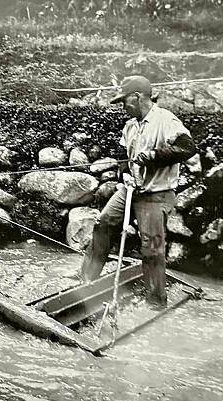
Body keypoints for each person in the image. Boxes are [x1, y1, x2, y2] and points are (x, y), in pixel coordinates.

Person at [80, 75, 196, 307]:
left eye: (125, 101)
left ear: (137, 96)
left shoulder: (166, 120)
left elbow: (187, 147)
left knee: (151, 248)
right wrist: (124, 172)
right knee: (103, 224)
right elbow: (125, 154)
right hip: (131, 190)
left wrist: (154, 156)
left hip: (156, 194)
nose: (123, 107)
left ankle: (155, 302)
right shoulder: (130, 125)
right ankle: (85, 282)